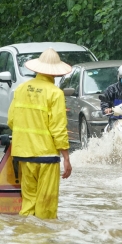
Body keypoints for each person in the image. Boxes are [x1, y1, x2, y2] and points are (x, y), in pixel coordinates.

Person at [7, 48, 73, 219]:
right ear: (56, 73)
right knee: (46, 207)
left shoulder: (21, 89)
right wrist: (66, 157)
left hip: (23, 155)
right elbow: (58, 128)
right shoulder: (55, 93)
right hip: (47, 157)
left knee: (28, 204)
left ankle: (26, 236)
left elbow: (11, 121)